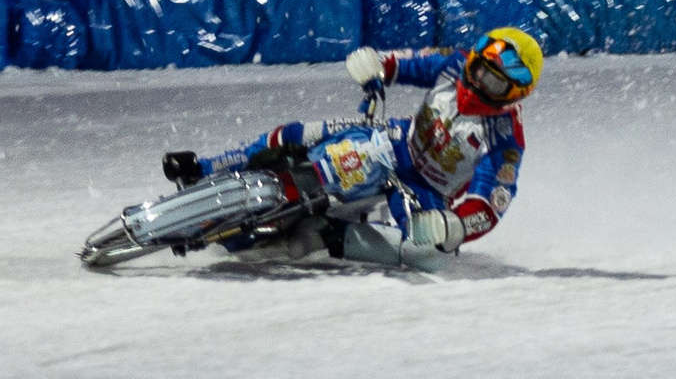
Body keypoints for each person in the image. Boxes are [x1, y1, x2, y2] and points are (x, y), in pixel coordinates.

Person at [160, 28, 540, 267]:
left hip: (426, 191)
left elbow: (490, 204)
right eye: (479, 73)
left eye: (494, 85)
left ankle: (325, 237)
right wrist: (371, 67)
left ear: (514, 95)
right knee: (299, 133)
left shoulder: (506, 140)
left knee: (430, 257)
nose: (478, 86)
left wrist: (452, 225)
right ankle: (207, 168)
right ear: (472, 60)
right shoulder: (452, 64)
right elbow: (396, 63)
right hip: (392, 142)